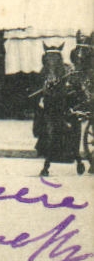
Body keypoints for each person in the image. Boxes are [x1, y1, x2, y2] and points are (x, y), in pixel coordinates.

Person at [32, 45, 84, 177]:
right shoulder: (43, 72)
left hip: (65, 105)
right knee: (48, 130)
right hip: (50, 106)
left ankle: (76, 158)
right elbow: (40, 88)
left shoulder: (67, 71)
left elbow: (74, 90)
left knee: (68, 128)